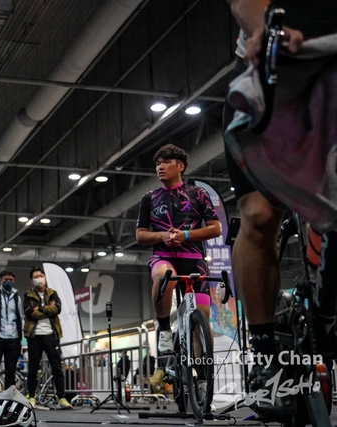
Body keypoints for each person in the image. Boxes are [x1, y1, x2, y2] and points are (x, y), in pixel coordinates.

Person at [224, 0, 337, 420]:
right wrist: (264, 32)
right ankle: (264, 352)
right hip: (278, 72)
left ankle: (327, 307)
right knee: (258, 215)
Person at [136, 144, 221, 354]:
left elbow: (215, 228)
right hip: (162, 257)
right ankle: (164, 329)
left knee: (202, 317)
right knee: (164, 276)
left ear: (180, 166)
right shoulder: (149, 198)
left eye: (166, 162)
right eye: (158, 164)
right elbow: (140, 234)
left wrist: (185, 235)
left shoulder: (198, 194)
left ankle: (202, 368)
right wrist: (162, 236)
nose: (160, 167)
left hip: (194, 260)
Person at [23, 267, 72, 410]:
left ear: (45, 277)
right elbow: (29, 313)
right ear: (31, 281)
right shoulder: (28, 295)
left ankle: (62, 398)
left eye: (41, 275)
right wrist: (48, 309)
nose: (39, 278)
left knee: (56, 367)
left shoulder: (52, 293)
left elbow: (58, 308)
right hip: (34, 336)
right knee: (33, 368)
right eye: (35, 276)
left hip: (51, 335)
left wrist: (40, 309)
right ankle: (32, 397)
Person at [0, 269, 24, 393]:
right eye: (6, 280)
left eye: (11, 280)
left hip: (13, 338)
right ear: (0, 281)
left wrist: (20, 339)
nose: (8, 282)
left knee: (11, 371)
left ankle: (9, 396)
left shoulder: (17, 298)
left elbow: (19, 317)